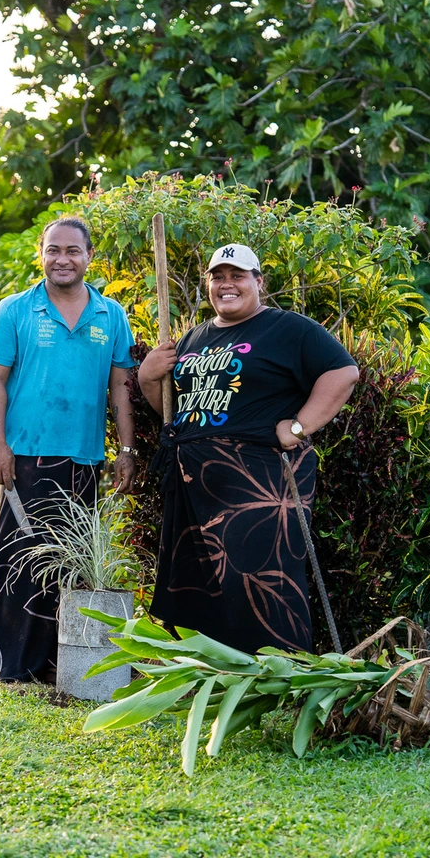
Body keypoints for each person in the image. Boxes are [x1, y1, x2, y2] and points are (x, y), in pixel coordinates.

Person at [137, 244, 360, 654]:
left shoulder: (288, 328)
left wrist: (298, 426)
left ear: (259, 282)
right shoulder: (194, 337)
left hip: (259, 483)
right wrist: (149, 378)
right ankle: (206, 673)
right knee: (197, 582)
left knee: (259, 578)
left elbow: (344, 372)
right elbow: (176, 411)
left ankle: (275, 676)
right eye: (217, 277)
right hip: (195, 487)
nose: (226, 284)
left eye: (237, 276)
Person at [0, 216, 140, 682]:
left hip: (85, 459)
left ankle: (53, 661)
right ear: (41, 255)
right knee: (20, 559)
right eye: (53, 250)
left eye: (72, 251)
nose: (62, 259)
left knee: (69, 564)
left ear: (89, 257)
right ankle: (6, 662)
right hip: (26, 456)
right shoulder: (16, 310)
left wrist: (127, 449)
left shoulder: (111, 314)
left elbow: (121, 387)